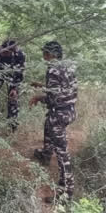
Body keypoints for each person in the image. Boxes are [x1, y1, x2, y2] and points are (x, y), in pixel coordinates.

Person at [29, 40, 77, 202]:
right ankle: (45, 155)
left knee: (62, 153)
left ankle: (66, 192)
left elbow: (53, 97)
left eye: (46, 53)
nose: (44, 56)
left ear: (51, 54)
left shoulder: (53, 70)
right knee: (47, 127)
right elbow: (62, 88)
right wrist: (42, 86)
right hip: (69, 111)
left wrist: (38, 97)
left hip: (60, 113)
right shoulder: (67, 67)